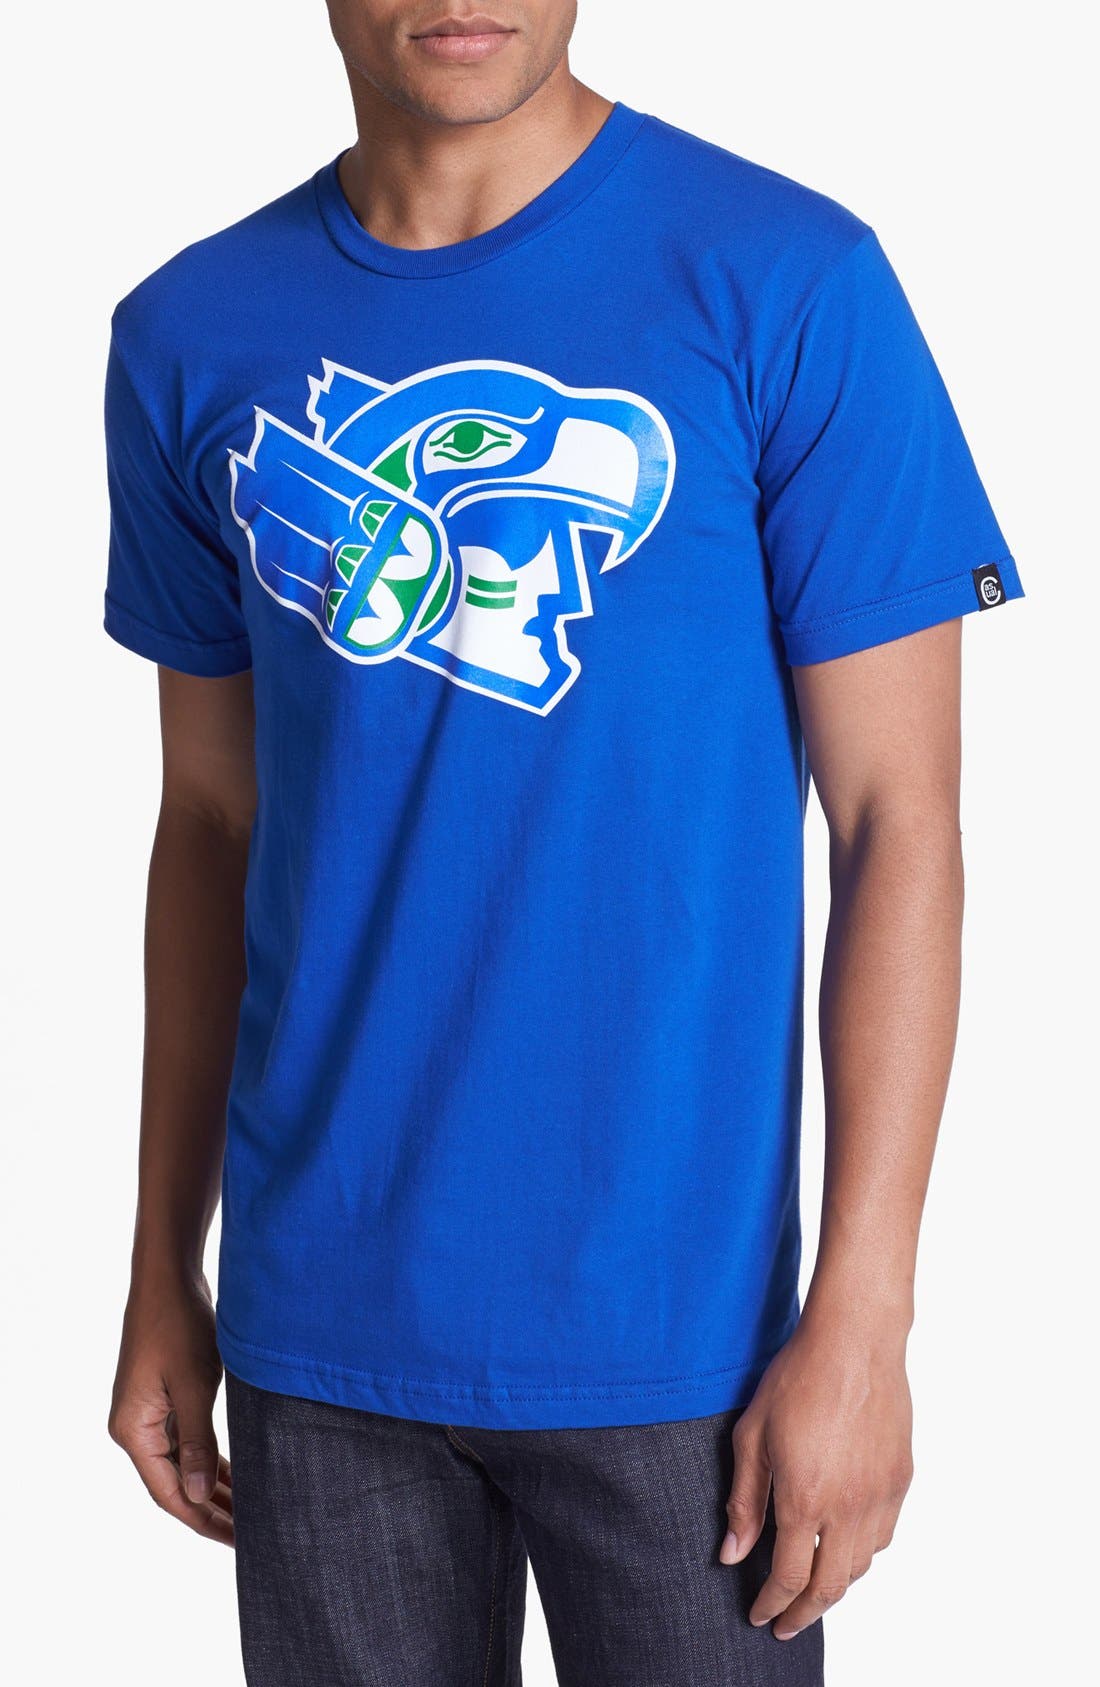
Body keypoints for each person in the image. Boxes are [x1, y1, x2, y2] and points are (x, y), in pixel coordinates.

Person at [103, 4, 1022, 1683]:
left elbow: (900, 822)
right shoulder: (188, 330)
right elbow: (212, 825)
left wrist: (866, 1318)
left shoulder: (787, 280)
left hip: (689, 1349)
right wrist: (163, 1267)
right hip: (319, 1335)